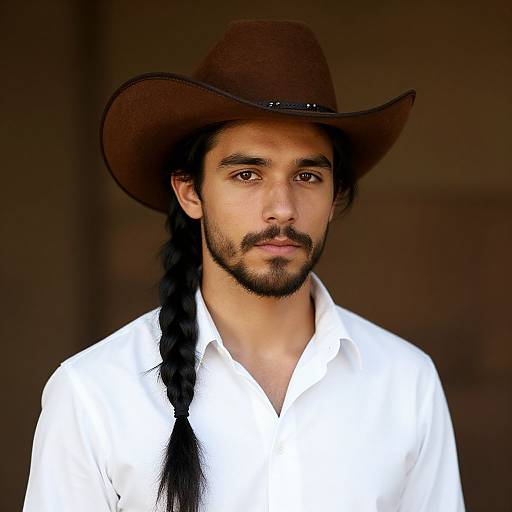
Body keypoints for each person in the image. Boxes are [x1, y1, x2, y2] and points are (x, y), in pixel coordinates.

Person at [23, 19, 466, 512]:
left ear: (336, 194)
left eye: (307, 175)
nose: (282, 207)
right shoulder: (93, 394)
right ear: (191, 191)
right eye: (247, 174)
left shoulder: (406, 383)